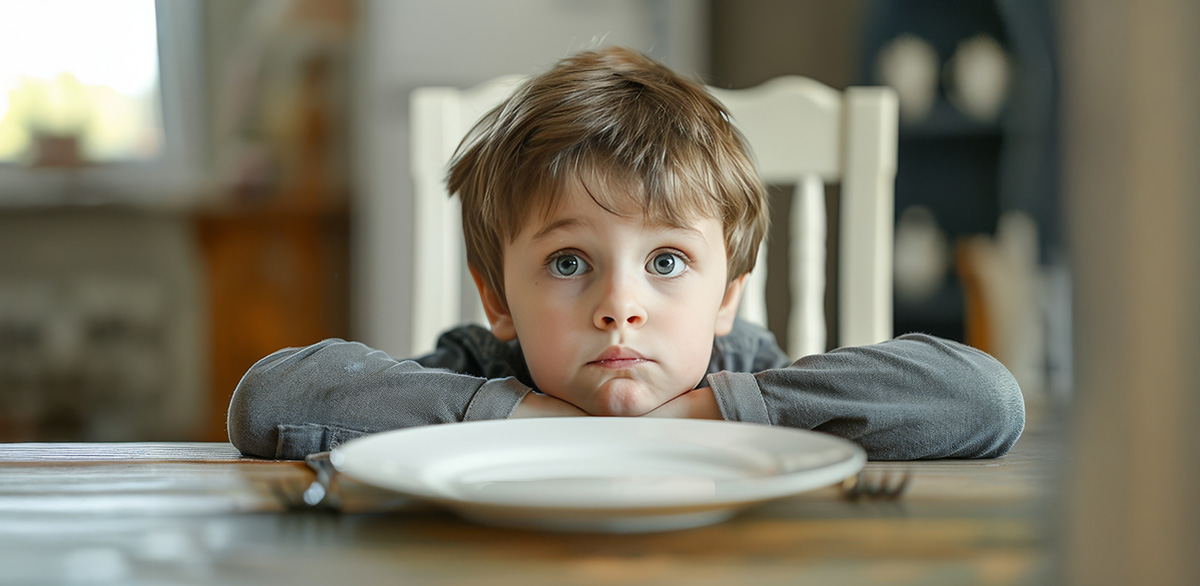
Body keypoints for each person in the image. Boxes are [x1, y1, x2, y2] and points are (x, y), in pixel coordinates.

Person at [227, 46, 1024, 461]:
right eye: (569, 263)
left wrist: (710, 411)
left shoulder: (744, 368)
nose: (620, 306)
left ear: (726, 297)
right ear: (497, 299)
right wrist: (518, 415)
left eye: (668, 261)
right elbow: (268, 403)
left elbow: (986, 400)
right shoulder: (479, 371)